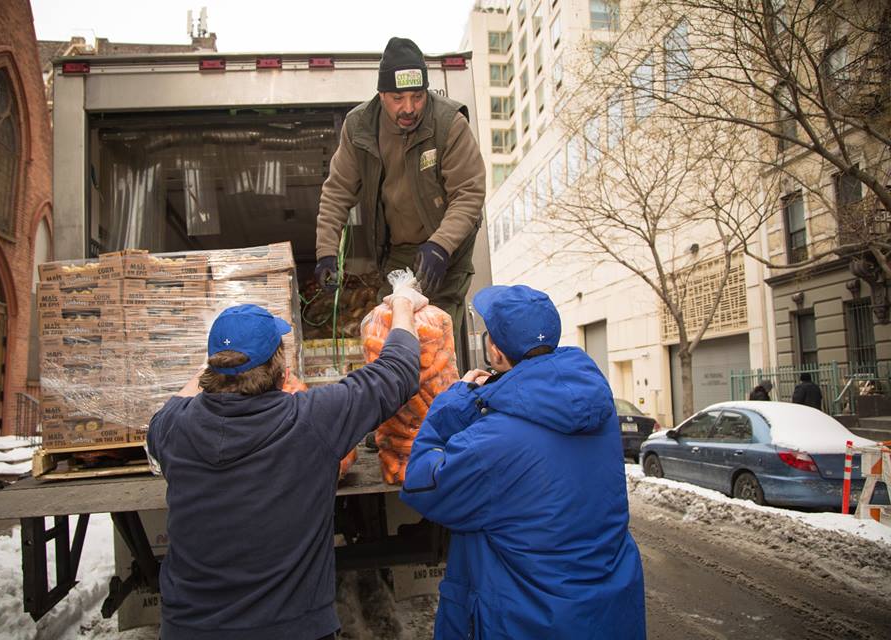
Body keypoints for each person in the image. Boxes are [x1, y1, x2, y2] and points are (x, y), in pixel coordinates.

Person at [145, 290, 426, 640]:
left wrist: (216, 366)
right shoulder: (312, 420)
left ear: (212, 368)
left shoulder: (173, 427)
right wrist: (402, 303)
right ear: (281, 369)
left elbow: (177, 402)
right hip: (293, 629)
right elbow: (397, 371)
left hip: (188, 630)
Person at [400, 285, 646, 639]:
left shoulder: (493, 440)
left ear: (496, 353)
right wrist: (493, 395)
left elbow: (422, 482)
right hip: (605, 612)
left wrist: (456, 402)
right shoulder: (597, 408)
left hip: (529, 620)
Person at [315, 36, 486, 371]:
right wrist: (325, 251)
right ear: (382, 95)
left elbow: (469, 194)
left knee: (435, 339)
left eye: (417, 96)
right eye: (398, 98)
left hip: (446, 251)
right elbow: (337, 192)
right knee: (390, 336)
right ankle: (398, 418)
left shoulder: (449, 123)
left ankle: (440, 415)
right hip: (398, 252)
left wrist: (441, 246)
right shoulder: (359, 126)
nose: (409, 107)